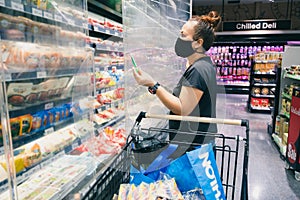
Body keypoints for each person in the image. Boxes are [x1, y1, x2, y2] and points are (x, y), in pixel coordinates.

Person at [133, 11, 222, 148]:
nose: (179, 38)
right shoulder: (201, 65)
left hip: (192, 145)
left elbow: (182, 108)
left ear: (198, 43)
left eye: (183, 35)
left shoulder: (199, 69)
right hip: (195, 141)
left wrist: (153, 84)